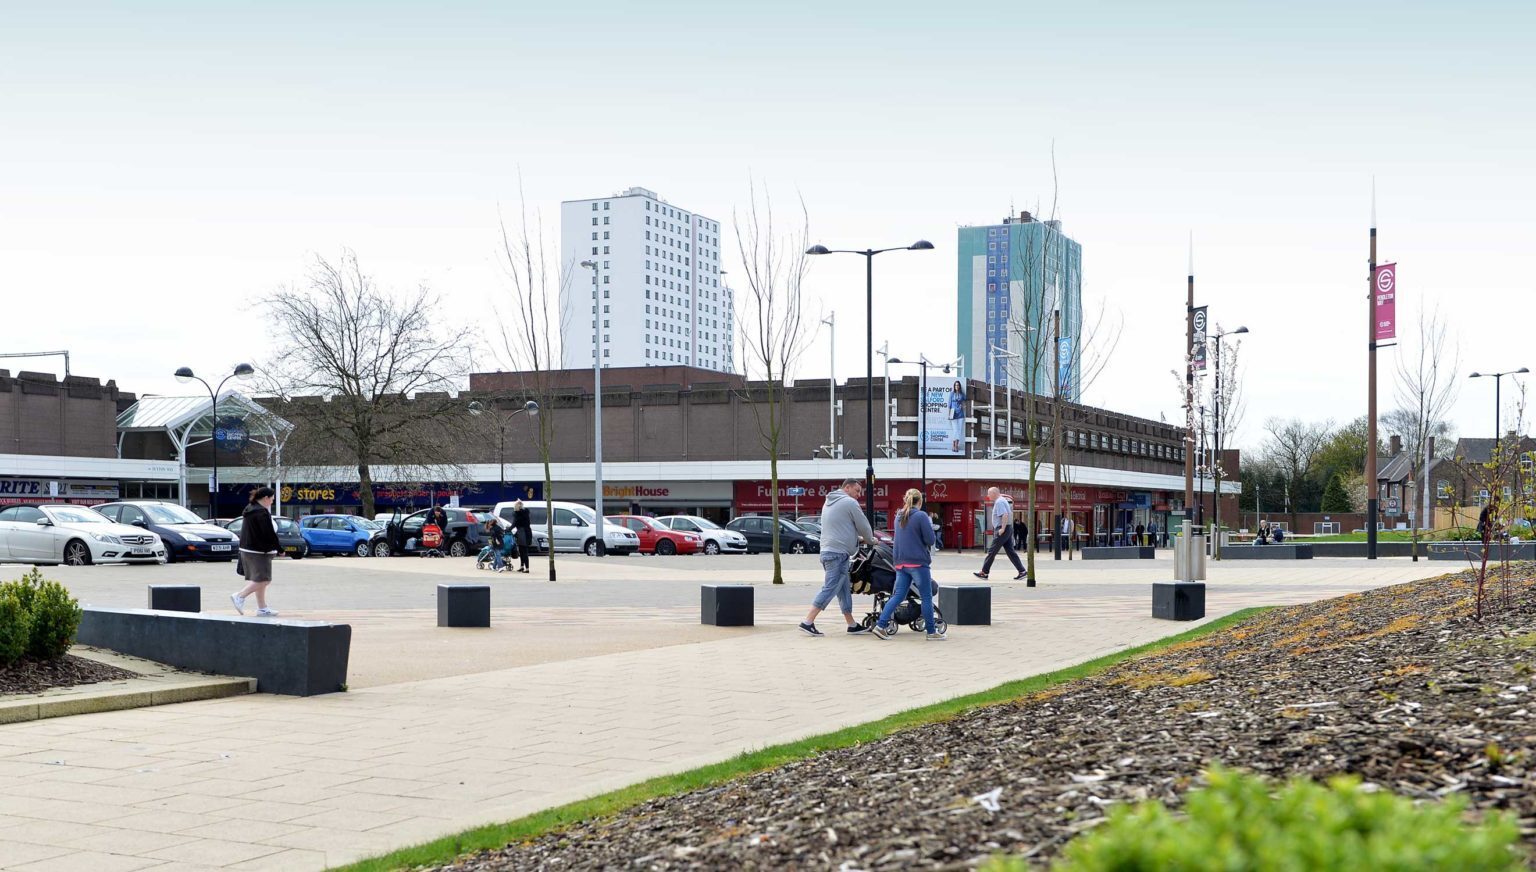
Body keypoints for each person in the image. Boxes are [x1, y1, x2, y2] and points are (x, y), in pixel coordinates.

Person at [800, 478, 874, 637]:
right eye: (857, 491)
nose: (859, 495)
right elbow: (863, 525)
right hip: (838, 554)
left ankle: (851, 624)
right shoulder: (849, 502)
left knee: (843, 589)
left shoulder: (829, 502)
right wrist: (870, 539)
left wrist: (856, 539)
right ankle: (808, 621)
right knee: (831, 587)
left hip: (829, 551)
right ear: (847, 488)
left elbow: (840, 527)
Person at [873, 489, 942, 641]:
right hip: (917, 562)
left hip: (900, 563)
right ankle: (931, 632)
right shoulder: (921, 515)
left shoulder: (899, 515)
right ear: (920, 501)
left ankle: (881, 625)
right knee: (926, 596)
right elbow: (930, 540)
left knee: (898, 595)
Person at [231, 486, 281, 617]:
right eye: (272, 499)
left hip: (248, 549)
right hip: (258, 551)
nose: (272, 502)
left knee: (259, 579)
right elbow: (268, 533)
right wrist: (280, 548)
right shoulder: (261, 513)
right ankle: (240, 596)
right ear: (265, 498)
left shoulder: (250, 508)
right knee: (264, 580)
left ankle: (262, 608)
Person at [975, 487, 1027, 580]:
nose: (988, 496)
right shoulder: (1002, 500)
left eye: (989, 493)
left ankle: (984, 572)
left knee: (992, 551)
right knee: (1010, 552)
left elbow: (1005, 514)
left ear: (994, 493)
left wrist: (1002, 528)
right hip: (1007, 528)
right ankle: (1022, 571)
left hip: (1003, 529)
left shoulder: (999, 502)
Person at [512, 500, 533, 572]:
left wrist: (507, 529)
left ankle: (526, 568)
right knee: (523, 551)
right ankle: (522, 567)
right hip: (527, 532)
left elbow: (514, 524)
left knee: (522, 551)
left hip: (521, 533)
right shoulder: (526, 513)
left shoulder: (517, 514)